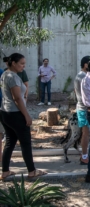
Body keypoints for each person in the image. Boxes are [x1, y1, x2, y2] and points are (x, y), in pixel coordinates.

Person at [0, 53, 47, 181]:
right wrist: (26, 115)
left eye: (24, 64)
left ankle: (5, 171)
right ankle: (32, 171)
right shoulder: (13, 77)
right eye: (21, 63)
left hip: (5, 112)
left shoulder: (4, 74)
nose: (23, 66)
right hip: (15, 113)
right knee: (25, 143)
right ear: (13, 63)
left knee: (10, 142)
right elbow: (17, 98)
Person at [74, 56, 90, 165]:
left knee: (88, 134)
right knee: (86, 134)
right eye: (89, 64)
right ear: (85, 65)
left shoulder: (83, 76)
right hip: (84, 109)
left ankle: (86, 155)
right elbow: (81, 96)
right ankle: (84, 156)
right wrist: (89, 106)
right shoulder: (81, 77)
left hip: (85, 108)